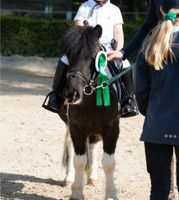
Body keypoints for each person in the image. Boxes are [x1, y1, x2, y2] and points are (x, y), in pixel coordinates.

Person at [42, 0, 138, 117]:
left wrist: (119, 51)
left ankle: (128, 100)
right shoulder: (85, 7)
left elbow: (118, 34)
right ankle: (55, 95)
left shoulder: (115, 10)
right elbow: (78, 29)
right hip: (86, 49)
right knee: (64, 59)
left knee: (126, 63)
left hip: (107, 50)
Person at [134, 0, 179, 199]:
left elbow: (141, 92)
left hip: (156, 127)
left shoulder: (149, 45)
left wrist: (152, 111)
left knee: (158, 191)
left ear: (160, 10)